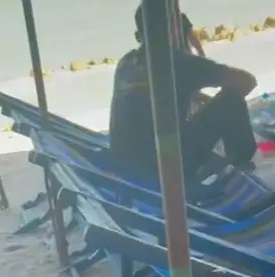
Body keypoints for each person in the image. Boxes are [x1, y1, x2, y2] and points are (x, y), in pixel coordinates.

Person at [109, 4, 257, 184]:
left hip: (125, 165)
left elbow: (147, 97)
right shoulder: (179, 62)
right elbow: (247, 81)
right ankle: (240, 165)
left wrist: (190, 93)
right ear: (174, 28)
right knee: (231, 100)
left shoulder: (126, 63)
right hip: (164, 167)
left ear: (138, 35)